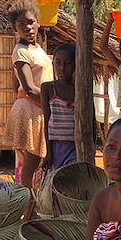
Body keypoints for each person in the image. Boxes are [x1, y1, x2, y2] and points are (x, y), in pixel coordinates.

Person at [3, 0, 54, 190]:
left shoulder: (37, 49)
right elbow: (30, 88)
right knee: (30, 165)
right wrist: (56, 100)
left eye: (31, 22)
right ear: (15, 28)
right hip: (32, 109)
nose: (28, 28)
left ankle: (31, 205)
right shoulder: (21, 51)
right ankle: (28, 207)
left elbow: (14, 83)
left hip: (38, 107)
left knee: (34, 162)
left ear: (38, 22)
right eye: (21, 24)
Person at [42, 44, 77, 172]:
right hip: (55, 146)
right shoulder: (48, 88)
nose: (62, 68)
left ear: (75, 65)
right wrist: (48, 152)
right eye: (58, 63)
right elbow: (46, 120)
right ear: (53, 64)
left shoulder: (80, 90)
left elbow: (90, 120)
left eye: (68, 64)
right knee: (56, 182)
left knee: (72, 181)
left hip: (75, 146)